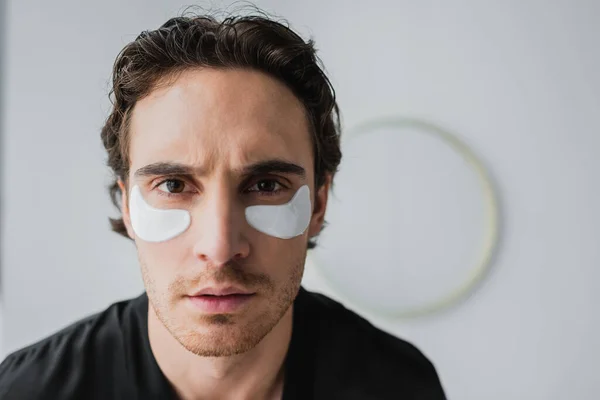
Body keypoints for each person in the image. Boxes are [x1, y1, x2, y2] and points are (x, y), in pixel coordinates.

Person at [0, 11, 446, 400]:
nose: (219, 247)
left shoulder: (398, 385)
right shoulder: (27, 392)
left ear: (318, 204)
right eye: (173, 185)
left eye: (267, 184)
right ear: (129, 208)